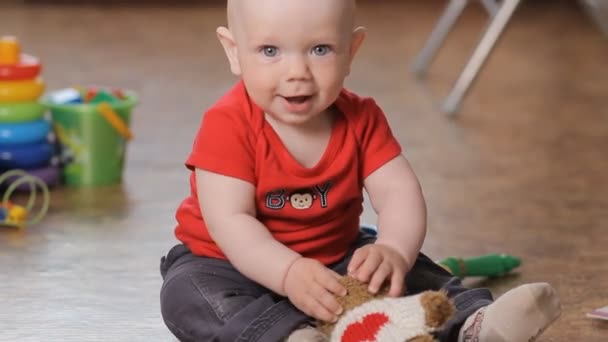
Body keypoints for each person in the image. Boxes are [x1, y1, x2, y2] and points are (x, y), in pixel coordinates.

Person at [159, 0, 562, 341]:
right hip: (228, 263)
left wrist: (393, 250)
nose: (296, 71)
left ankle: (476, 323)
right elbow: (230, 222)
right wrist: (287, 273)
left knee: (411, 271)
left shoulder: (362, 118)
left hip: (337, 256)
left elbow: (399, 193)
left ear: (352, 50)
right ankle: (288, 334)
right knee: (188, 295)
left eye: (319, 49)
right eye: (269, 51)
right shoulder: (227, 124)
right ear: (233, 52)